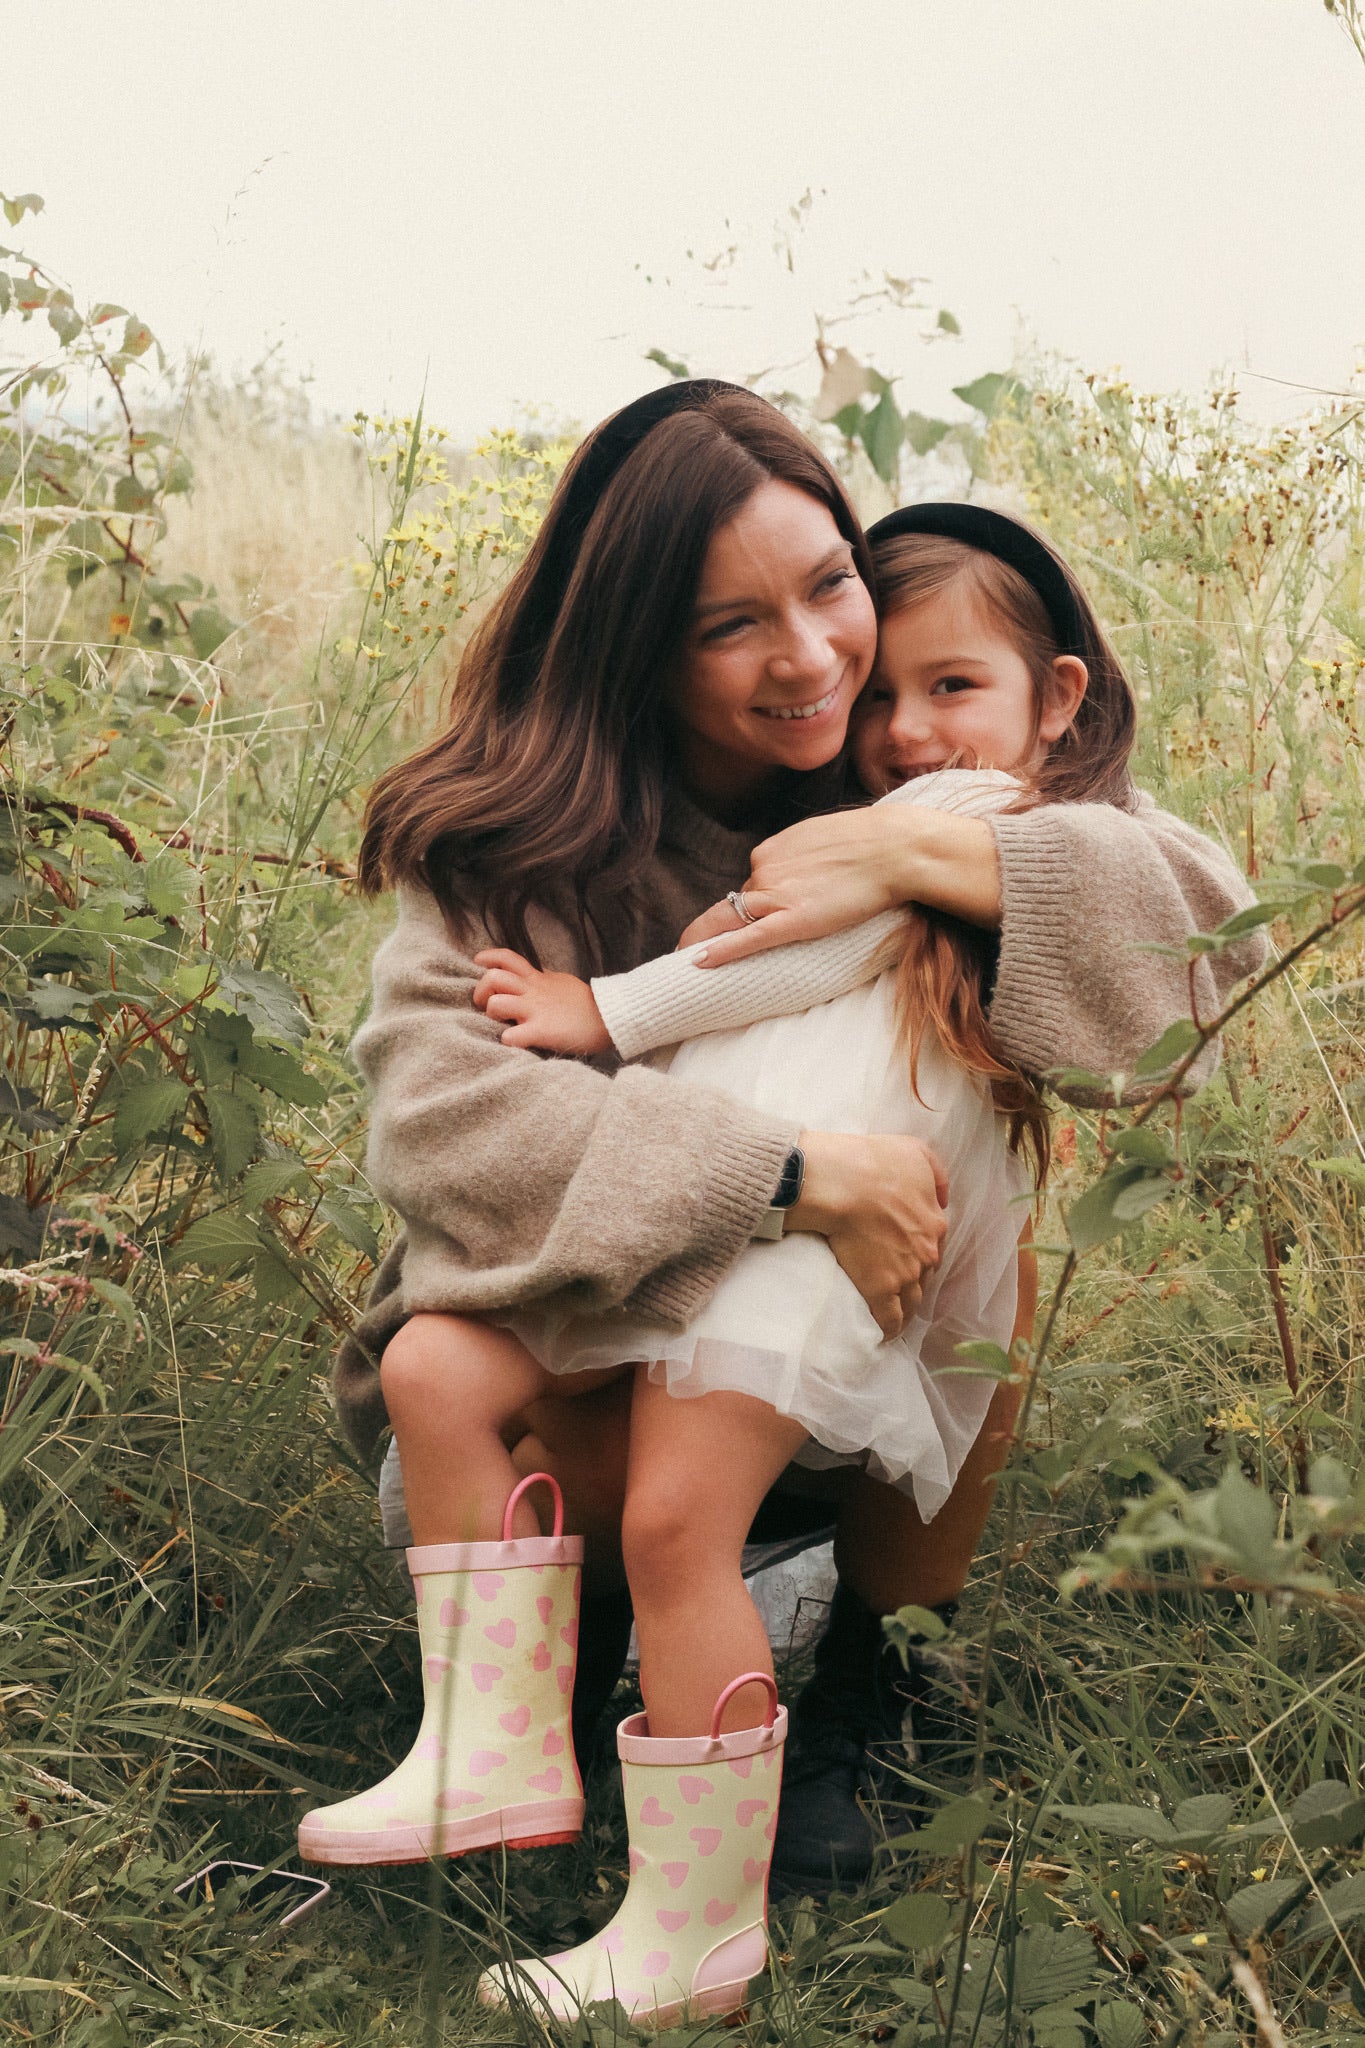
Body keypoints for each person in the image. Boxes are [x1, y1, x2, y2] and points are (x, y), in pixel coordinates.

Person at [310, 383, 1263, 1915]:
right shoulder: (504, 846)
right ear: (634, 646)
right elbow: (451, 1126)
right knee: (467, 1369)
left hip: (815, 1378)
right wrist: (796, 1178)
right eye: (724, 626)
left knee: (986, 1233)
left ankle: (873, 1692)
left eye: (829, 585)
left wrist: (903, 847)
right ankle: (537, 1730)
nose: (812, 655)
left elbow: (1196, 918)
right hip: (542, 1404)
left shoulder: (893, 762)